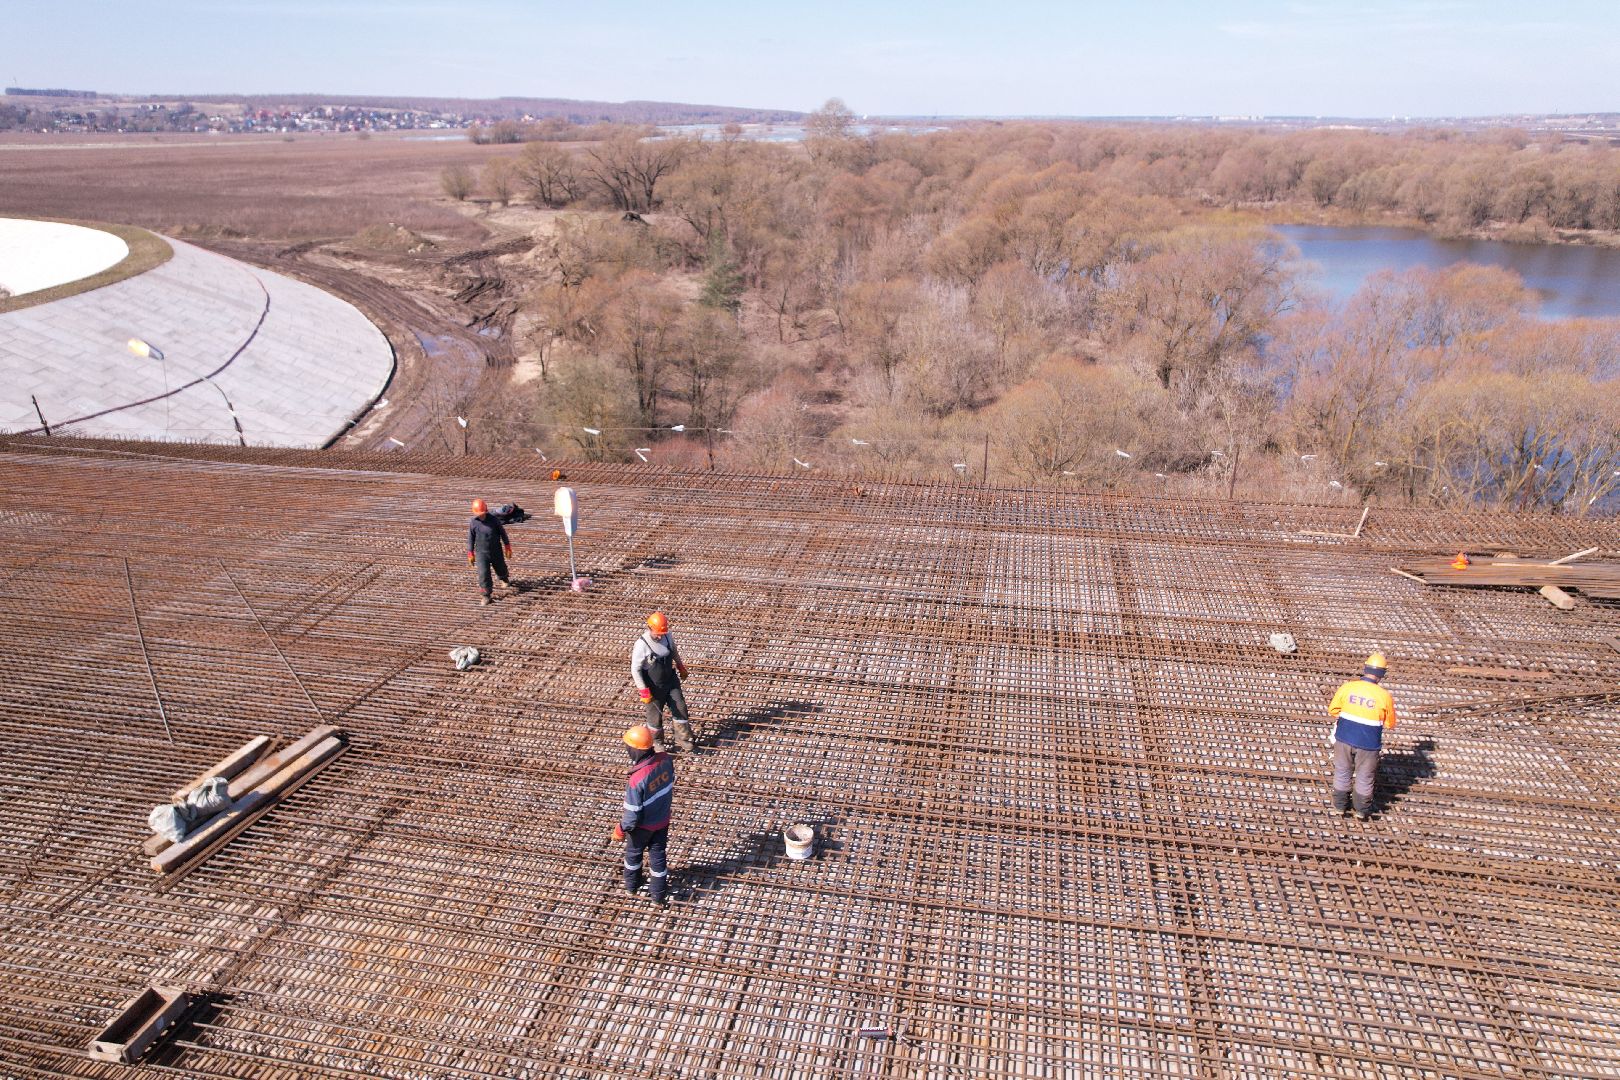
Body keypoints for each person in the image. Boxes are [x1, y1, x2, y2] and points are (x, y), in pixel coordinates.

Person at [1327, 651, 1398, 821]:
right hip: (1368, 745)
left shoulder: (1348, 687)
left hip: (1344, 739)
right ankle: (1360, 810)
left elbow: (1333, 711)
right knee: (1365, 777)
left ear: (1365, 668)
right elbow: (1390, 724)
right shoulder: (1384, 696)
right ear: (1382, 674)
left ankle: (1339, 807)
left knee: (1342, 771)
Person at [614, 724, 673, 907]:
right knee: (658, 857)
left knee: (633, 856)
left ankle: (632, 886)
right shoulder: (666, 761)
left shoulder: (637, 780)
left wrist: (620, 829)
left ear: (636, 750)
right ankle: (658, 896)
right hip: (662, 821)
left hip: (642, 827)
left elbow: (632, 815)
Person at [631, 611, 695, 751]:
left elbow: (673, 651)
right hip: (653, 686)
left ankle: (683, 738)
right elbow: (635, 669)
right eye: (657, 633)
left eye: (662, 633)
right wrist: (643, 690)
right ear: (650, 628)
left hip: (670, 681)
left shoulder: (667, 636)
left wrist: (680, 665)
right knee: (654, 716)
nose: (660, 636)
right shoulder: (642, 645)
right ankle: (657, 742)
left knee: (680, 707)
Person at [466, 498, 515, 606]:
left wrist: (507, 546)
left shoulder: (494, 520)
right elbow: (470, 538)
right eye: (479, 514)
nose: (481, 516)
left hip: (496, 550)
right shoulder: (473, 523)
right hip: (481, 553)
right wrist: (470, 552)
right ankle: (486, 595)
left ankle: (504, 578)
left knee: (500, 567)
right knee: (483, 574)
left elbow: (503, 533)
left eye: (482, 513)